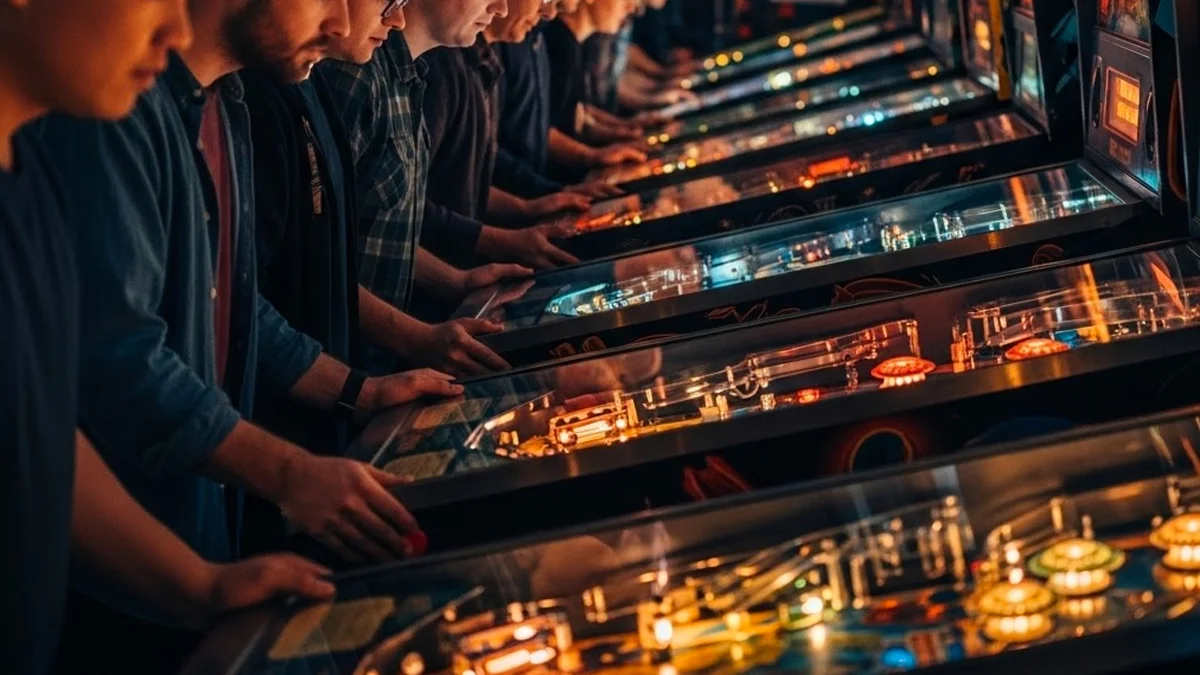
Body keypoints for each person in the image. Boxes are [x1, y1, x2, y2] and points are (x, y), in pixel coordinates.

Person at [34, 0, 462, 668]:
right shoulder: (109, 107)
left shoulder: (225, 101)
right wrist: (288, 473)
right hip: (122, 576)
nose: (344, 20)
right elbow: (119, 366)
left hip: (201, 541)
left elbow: (240, 304)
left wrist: (359, 389)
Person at [0, 1, 335, 674]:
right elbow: (120, 364)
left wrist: (200, 584)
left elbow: (43, 436)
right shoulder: (91, 133)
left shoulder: (23, 179)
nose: (178, 31)